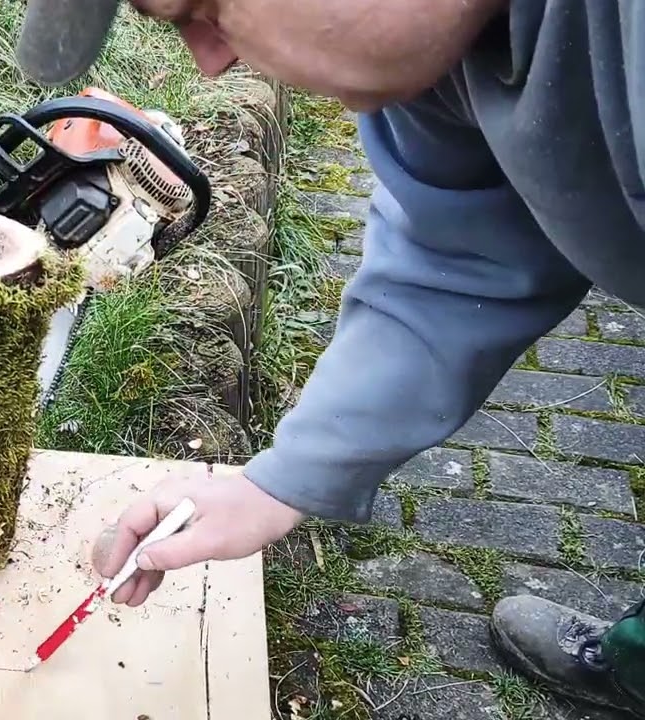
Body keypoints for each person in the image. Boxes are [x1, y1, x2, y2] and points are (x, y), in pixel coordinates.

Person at [46, 0, 645, 715]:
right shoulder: (435, 63)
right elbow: (457, 257)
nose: (212, 61)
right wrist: (277, 483)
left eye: (205, 6)